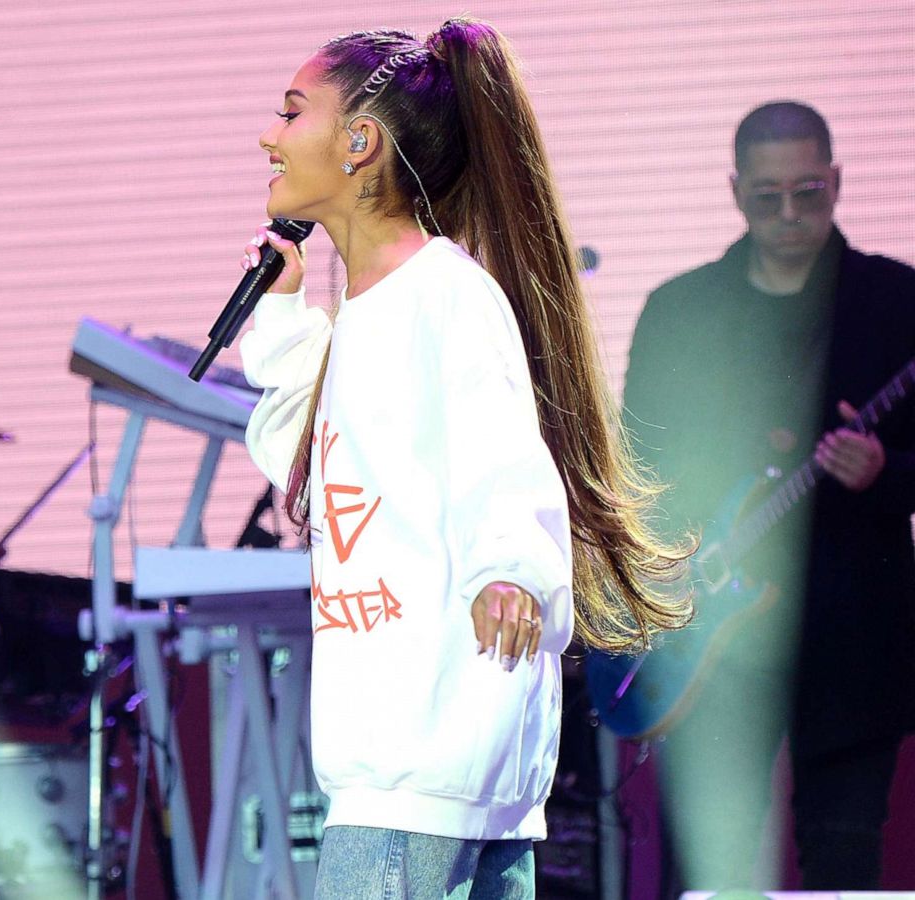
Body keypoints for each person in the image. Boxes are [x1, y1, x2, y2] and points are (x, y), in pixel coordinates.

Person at [238, 19, 692, 899]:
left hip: (421, 757)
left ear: (361, 141)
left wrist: (510, 568)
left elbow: (503, 455)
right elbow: (309, 462)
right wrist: (285, 318)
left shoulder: (445, 294)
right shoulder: (371, 312)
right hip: (405, 762)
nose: (270, 135)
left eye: (293, 113)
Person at [624, 100, 915, 892]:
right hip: (713, 649)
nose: (790, 214)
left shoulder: (896, 304)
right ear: (735, 192)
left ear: (839, 183)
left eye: (809, 193)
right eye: (768, 196)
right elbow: (635, 469)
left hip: (852, 643)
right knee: (706, 870)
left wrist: (887, 470)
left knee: (843, 863)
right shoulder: (681, 312)